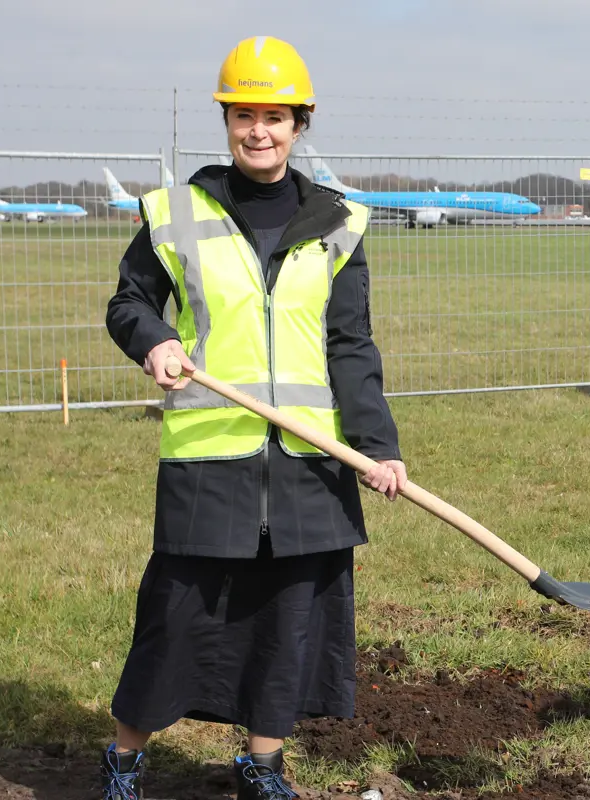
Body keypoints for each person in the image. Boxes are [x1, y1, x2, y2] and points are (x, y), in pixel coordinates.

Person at [100, 35, 406, 800]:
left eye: (274, 115)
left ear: (301, 123)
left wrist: (376, 446)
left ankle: (261, 765)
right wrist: (156, 339)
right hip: (210, 461)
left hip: (310, 465)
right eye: (243, 115)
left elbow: (350, 346)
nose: (258, 130)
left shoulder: (340, 225)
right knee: (172, 622)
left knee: (290, 623)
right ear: (227, 121)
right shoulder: (176, 213)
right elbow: (129, 300)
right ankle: (124, 762)